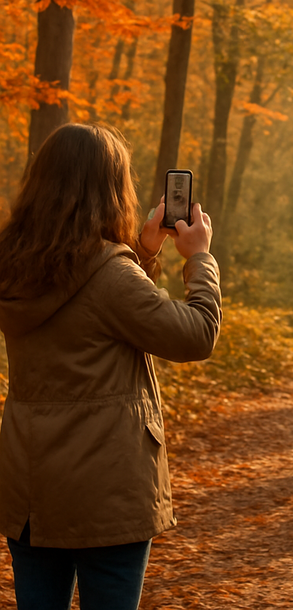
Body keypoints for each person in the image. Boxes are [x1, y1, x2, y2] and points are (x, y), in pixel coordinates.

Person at [0, 123, 222, 610]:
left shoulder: (13, 265)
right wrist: (199, 258)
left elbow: (89, 318)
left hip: (32, 491)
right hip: (107, 493)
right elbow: (197, 334)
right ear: (110, 189)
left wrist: (143, 251)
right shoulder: (111, 275)